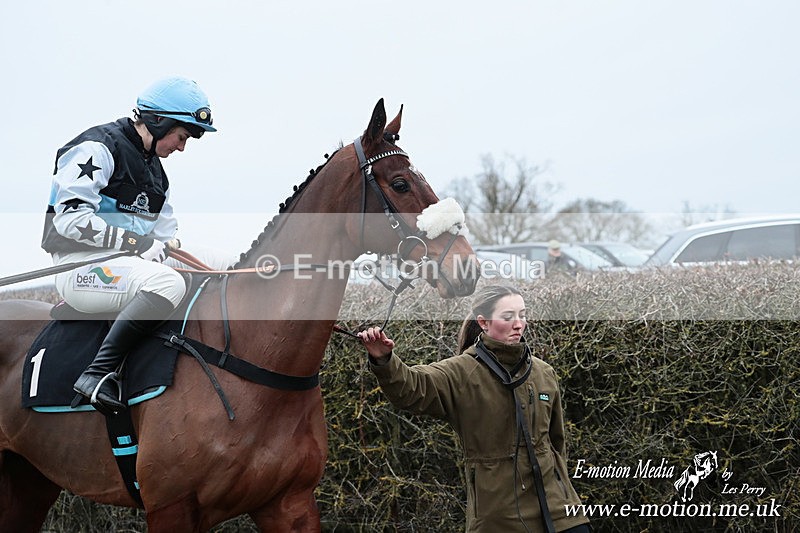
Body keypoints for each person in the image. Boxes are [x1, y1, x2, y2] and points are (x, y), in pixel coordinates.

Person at [41, 76, 229, 415]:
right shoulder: (97, 149)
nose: (182, 147)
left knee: (224, 263)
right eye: (181, 136)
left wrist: (165, 245)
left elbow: (164, 235)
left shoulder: (158, 174)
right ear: (160, 121)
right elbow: (68, 220)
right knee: (167, 282)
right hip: (79, 268)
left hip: (130, 265)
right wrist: (135, 242)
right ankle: (96, 375)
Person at [359, 285, 590, 533]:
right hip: (498, 518)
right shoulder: (461, 373)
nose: (518, 324)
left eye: (522, 315)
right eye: (508, 316)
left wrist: (564, 488)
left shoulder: (543, 373)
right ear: (483, 322)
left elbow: (557, 442)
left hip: (562, 514)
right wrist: (384, 360)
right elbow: (412, 389)